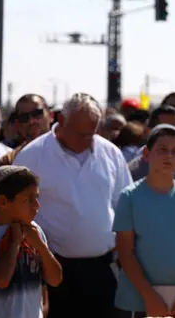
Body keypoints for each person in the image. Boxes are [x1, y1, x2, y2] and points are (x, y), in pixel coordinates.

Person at [13, 93, 133, 318]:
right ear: (62, 121)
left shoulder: (110, 153)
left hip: (103, 270)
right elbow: (17, 214)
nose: (87, 140)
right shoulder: (32, 156)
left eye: (92, 133)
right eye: (80, 134)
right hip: (53, 272)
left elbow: (124, 204)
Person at [113, 124, 175, 318]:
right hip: (137, 300)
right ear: (146, 154)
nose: (168, 156)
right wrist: (149, 296)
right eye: (162, 150)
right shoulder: (129, 197)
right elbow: (125, 252)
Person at [0, 166, 62, 318]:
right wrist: (15, 243)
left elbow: (55, 280)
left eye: (37, 198)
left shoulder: (35, 232)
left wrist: (40, 245)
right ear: (3, 202)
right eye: (29, 200)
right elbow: (1, 280)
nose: (37, 207)